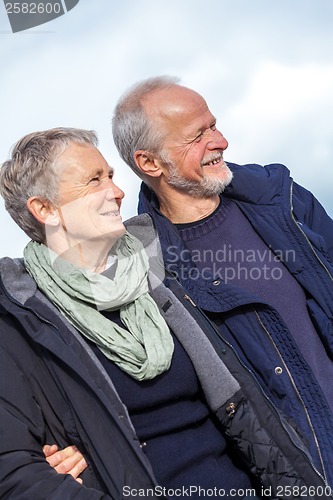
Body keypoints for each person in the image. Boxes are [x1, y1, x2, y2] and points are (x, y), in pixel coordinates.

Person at [0, 128, 329, 500]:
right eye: (94, 181)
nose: (117, 191)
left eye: (110, 175)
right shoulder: (18, 318)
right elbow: (15, 472)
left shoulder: (159, 269)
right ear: (45, 210)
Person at [112, 76, 333, 490]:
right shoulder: (142, 271)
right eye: (198, 135)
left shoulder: (280, 196)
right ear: (150, 163)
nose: (221, 141)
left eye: (213, 125)